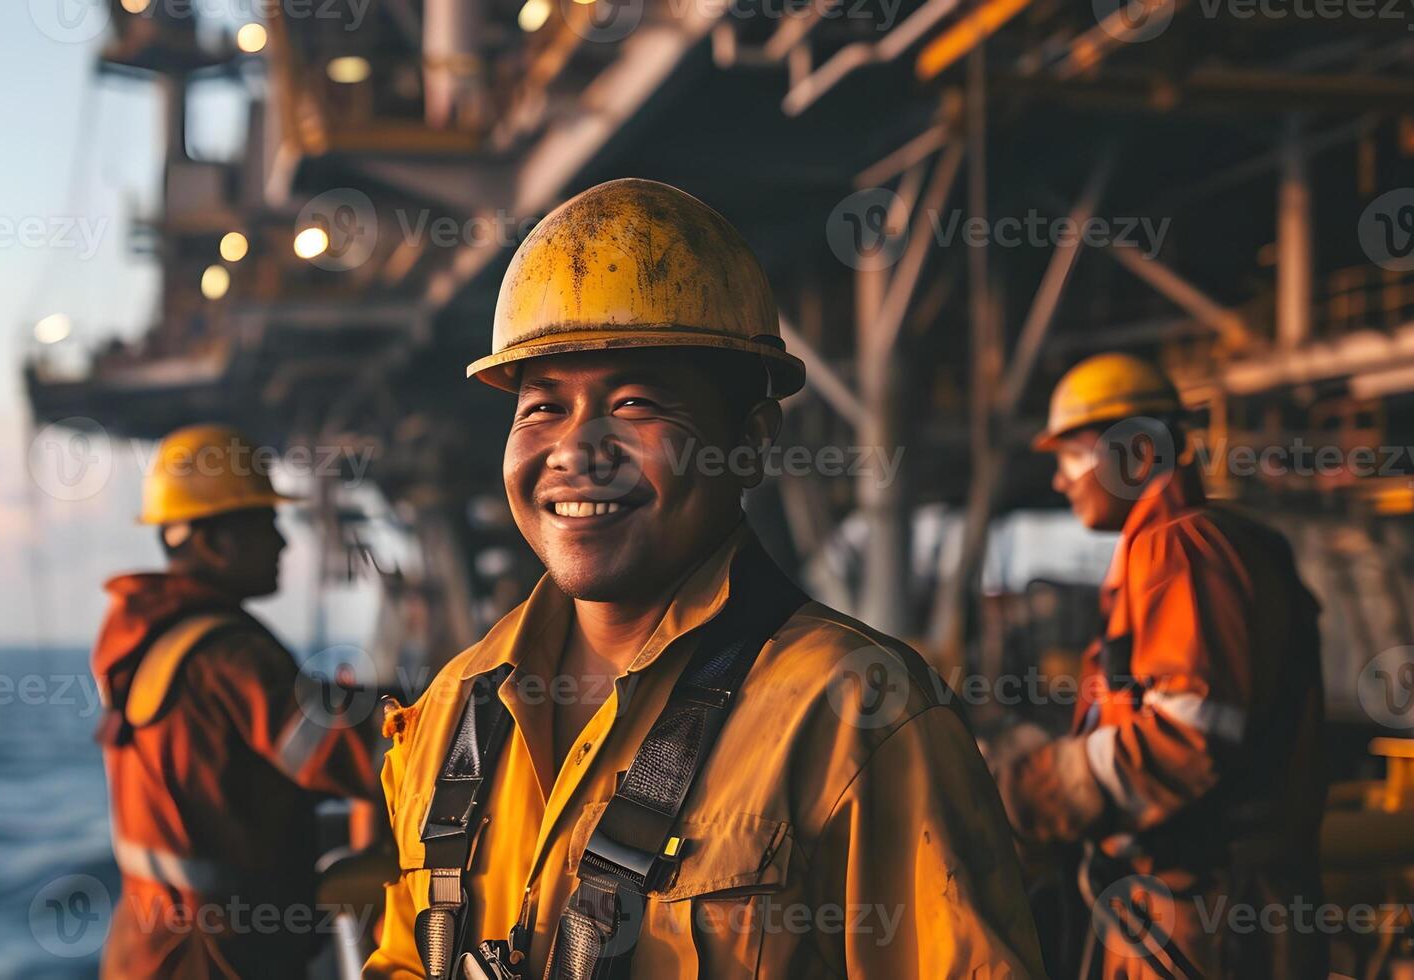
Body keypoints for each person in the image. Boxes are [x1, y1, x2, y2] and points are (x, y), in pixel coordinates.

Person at [365, 179, 1046, 979]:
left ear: (749, 442)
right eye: (541, 408)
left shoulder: (857, 717)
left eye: (636, 403)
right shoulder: (449, 714)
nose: (577, 450)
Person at [995, 353, 1326, 979]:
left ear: (1139, 456)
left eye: (1070, 456)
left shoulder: (1182, 547)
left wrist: (1044, 786)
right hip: (1184, 908)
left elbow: (1190, 735)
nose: (1061, 481)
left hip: (1203, 917)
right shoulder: (1183, 548)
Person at [90, 423, 377, 978]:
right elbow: (353, 753)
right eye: (266, 524)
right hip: (218, 957)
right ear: (215, 541)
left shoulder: (148, 635)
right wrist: (447, 712)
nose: (283, 543)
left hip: (147, 948)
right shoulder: (227, 657)